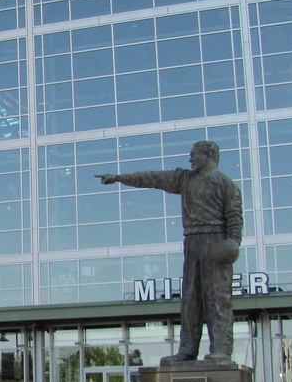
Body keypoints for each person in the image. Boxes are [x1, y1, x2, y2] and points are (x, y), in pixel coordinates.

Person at [96, 141, 243, 365]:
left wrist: (233, 242)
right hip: (192, 241)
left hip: (216, 242)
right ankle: (187, 350)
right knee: (190, 300)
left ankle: (221, 349)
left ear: (209, 156)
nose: (190, 159)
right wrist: (119, 177)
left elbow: (234, 217)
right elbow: (153, 178)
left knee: (217, 299)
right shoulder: (185, 179)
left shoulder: (225, 184)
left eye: (194, 155)